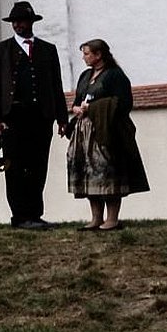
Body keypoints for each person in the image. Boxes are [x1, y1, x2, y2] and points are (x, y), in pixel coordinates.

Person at [0, 1, 68, 230]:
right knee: (14, 166)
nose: (17, 25)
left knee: (38, 165)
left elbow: (56, 85)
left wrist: (62, 118)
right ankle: (20, 216)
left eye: (21, 21)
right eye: (14, 21)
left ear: (31, 22)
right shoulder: (0, 50)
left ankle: (35, 213)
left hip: (41, 116)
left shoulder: (47, 50)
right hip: (13, 117)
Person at [66, 38, 149, 230]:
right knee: (88, 171)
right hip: (83, 132)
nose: (84, 57)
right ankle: (96, 217)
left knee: (107, 170)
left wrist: (93, 108)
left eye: (87, 53)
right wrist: (77, 108)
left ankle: (112, 218)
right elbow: (78, 99)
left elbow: (123, 103)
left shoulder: (115, 76)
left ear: (98, 55)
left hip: (105, 130)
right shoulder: (85, 76)